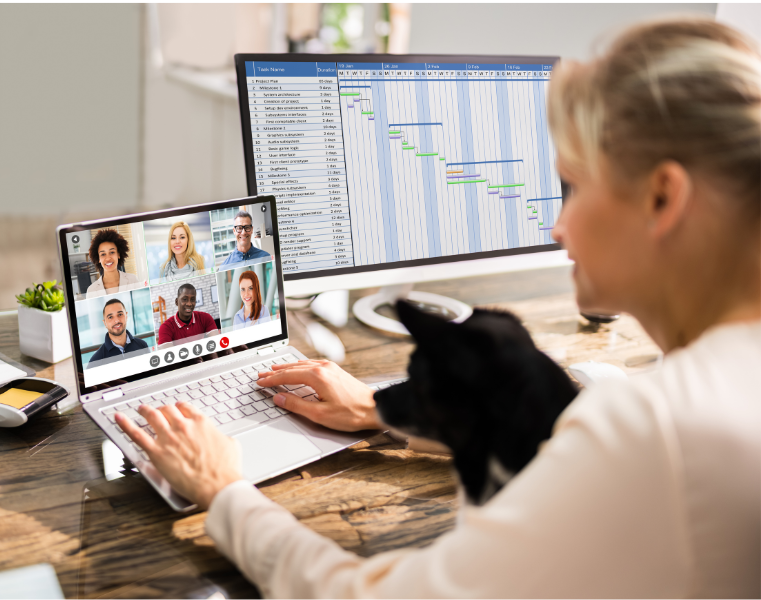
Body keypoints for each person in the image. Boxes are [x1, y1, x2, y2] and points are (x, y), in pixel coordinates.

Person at [118, 18, 760, 597]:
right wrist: (382, 410)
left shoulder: (656, 434)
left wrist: (224, 491)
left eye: (575, 185)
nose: (558, 225)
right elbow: (597, 399)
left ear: (661, 198)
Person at [87, 298, 149, 366]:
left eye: (120, 314)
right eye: (110, 317)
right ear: (105, 323)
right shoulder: (96, 361)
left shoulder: (142, 345)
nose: (116, 320)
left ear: (126, 316)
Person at [85, 229, 143, 299]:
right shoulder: (91, 291)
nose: (108, 258)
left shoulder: (133, 280)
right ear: (99, 259)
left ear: (118, 254)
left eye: (112, 252)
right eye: (103, 254)